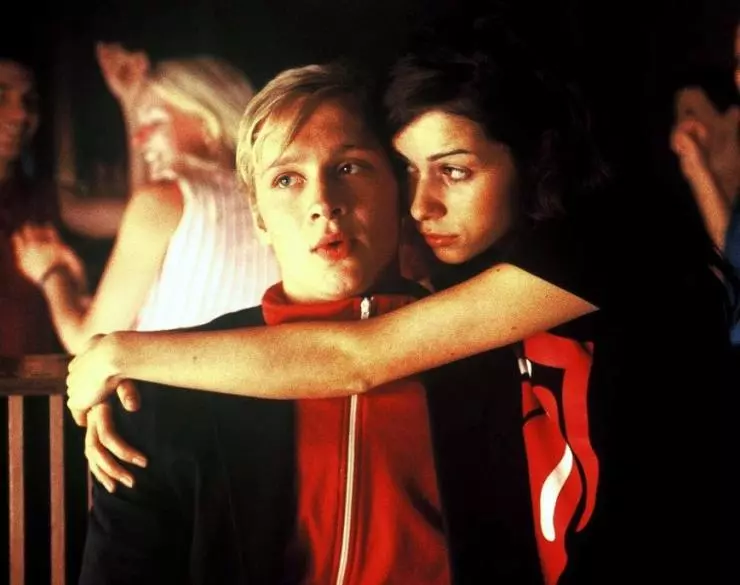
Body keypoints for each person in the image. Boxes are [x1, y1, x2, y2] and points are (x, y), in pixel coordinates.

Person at [67, 16, 736, 583]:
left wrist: (118, 353)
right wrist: (137, 378)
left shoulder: (586, 249)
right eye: (412, 171)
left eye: (455, 170)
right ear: (258, 215)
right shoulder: (471, 291)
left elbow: (361, 356)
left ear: (534, 157)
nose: (423, 204)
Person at [78, 61, 467, 585]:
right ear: (259, 218)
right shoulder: (155, 393)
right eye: (287, 179)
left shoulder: (484, 357)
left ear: (398, 190)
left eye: (350, 167)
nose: (323, 203)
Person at [13, 46, 280, 490]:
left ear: (208, 119)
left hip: (164, 435)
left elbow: (88, 341)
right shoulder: (273, 200)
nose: (139, 139)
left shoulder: (162, 201)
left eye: (153, 120)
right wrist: (131, 102)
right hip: (263, 437)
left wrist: (52, 273)